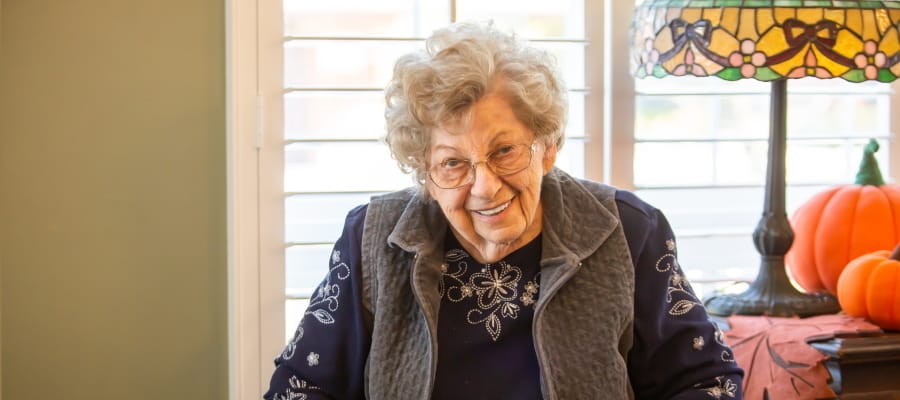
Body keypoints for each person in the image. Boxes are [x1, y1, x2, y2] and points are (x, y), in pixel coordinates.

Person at [264, 21, 743, 400]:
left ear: (547, 147)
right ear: (425, 175)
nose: (485, 186)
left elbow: (708, 382)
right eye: (453, 163)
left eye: (505, 151)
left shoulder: (629, 230)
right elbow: (301, 387)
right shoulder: (371, 238)